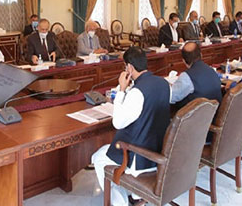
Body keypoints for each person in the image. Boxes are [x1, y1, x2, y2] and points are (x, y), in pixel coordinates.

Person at [91, 47, 170, 206]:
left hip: (140, 157)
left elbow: (118, 122)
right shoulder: (164, 83)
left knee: (97, 158)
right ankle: (135, 195)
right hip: (159, 150)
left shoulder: (137, 92)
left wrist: (121, 89)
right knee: (105, 151)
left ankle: (120, 202)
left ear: (130, 68)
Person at [170, 42, 222, 108]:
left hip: (196, 114)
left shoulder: (186, 77)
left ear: (183, 61)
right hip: (215, 112)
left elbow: (171, 97)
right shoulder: (211, 70)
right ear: (201, 55)